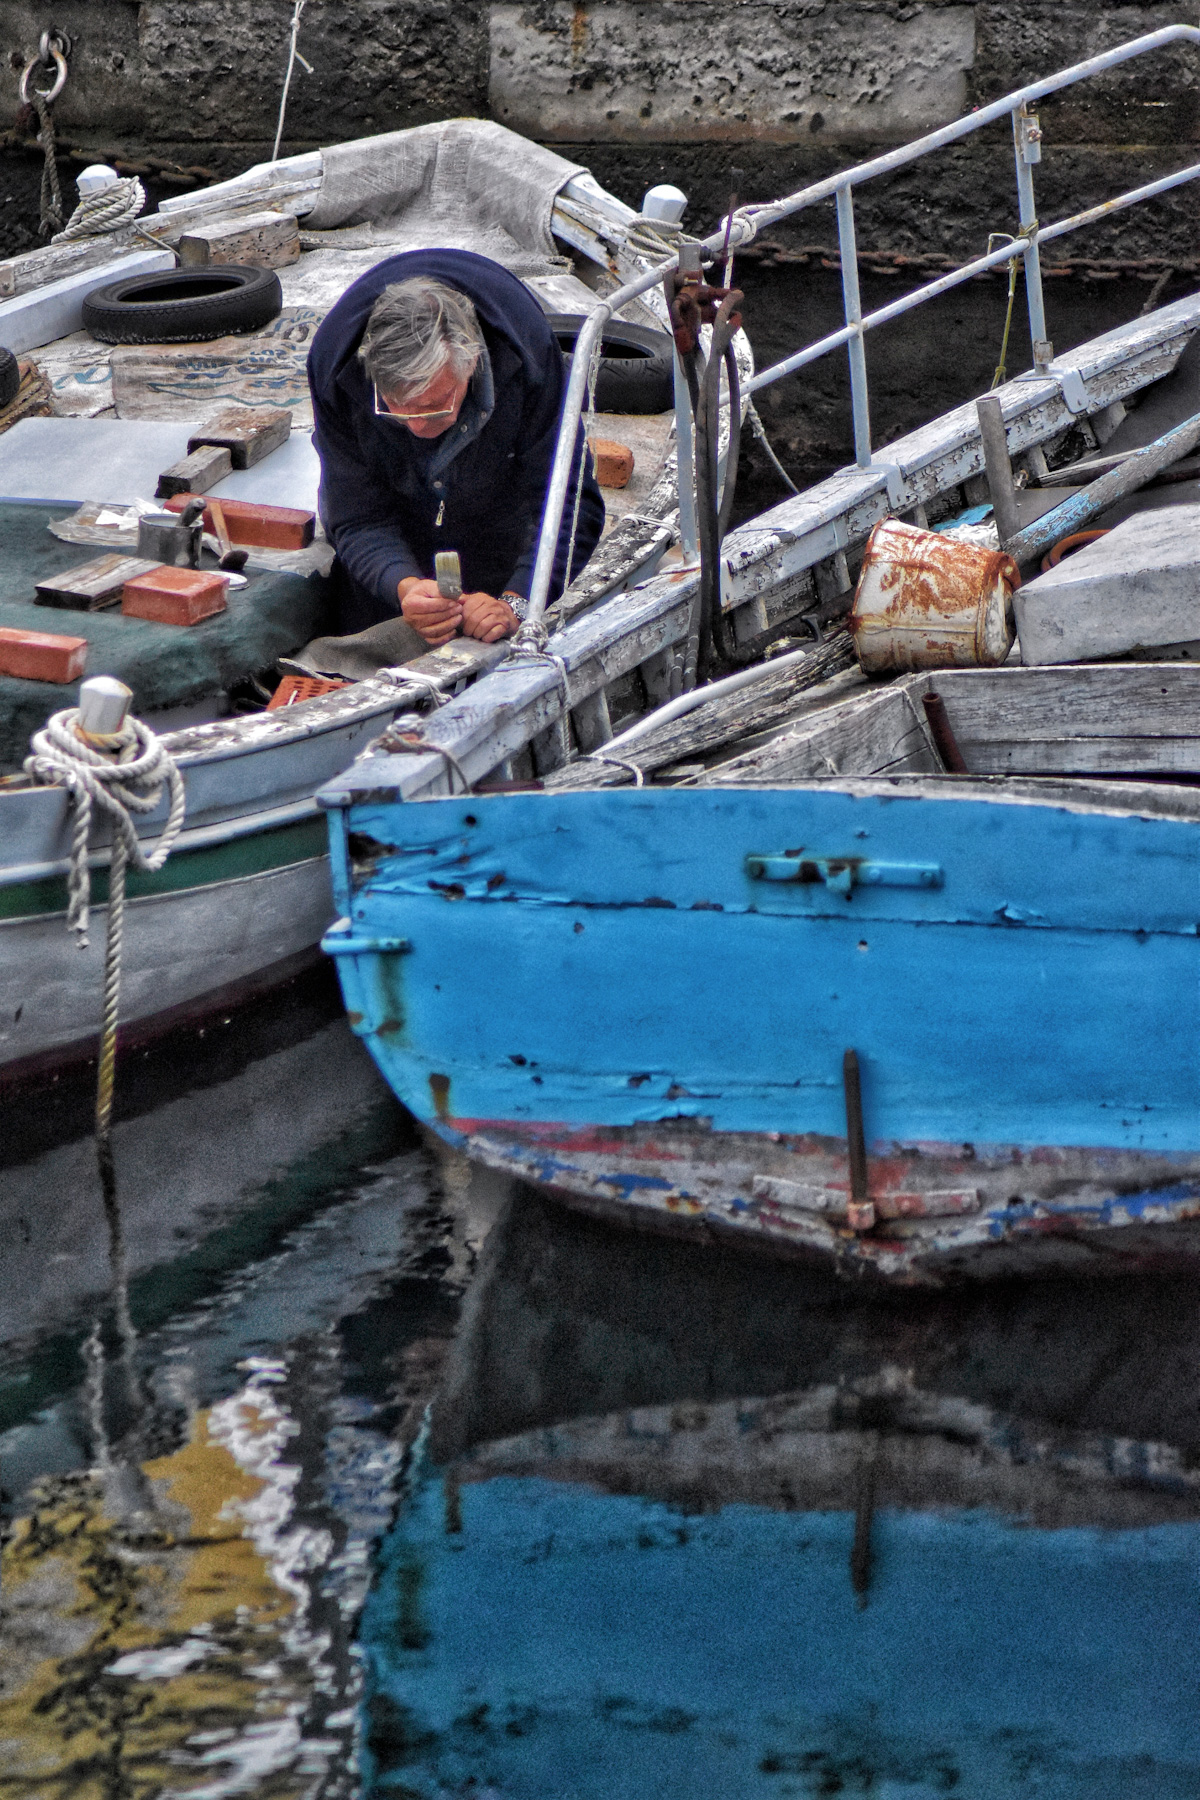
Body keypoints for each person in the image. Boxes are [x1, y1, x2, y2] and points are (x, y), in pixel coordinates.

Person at [307, 248, 605, 646]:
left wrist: (517, 602)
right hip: (400, 547)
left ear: (472, 362)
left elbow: (569, 501)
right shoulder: (334, 363)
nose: (417, 427)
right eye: (398, 411)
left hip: (501, 527)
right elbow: (356, 515)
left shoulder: (526, 353)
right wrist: (403, 586)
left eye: (435, 405)